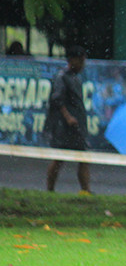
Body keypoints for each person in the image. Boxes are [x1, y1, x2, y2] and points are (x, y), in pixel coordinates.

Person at [45, 46, 91, 194]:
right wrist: (68, 117)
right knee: (59, 159)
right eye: (81, 61)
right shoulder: (62, 77)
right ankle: (50, 190)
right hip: (64, 128)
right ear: (72, 60)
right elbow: (57, 100)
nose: (83, 65)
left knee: (83, 158)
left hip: (77, 127)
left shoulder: (76, 78)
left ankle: (86, 190)